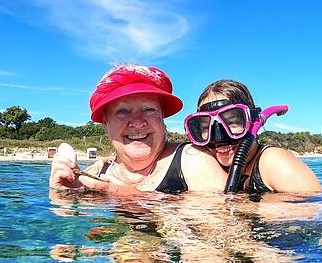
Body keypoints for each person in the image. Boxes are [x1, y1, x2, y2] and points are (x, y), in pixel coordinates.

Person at [49, 65, 226, 193]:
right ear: (105, 125)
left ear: (162, 118)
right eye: (122, 111)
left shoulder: (193, 160)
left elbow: (228, 230)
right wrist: (63, 196)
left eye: (149, 109)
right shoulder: (97, 173)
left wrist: (123, 195)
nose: (138, 122)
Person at [185, 79, 322, 193]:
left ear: (252, 121)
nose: (218, 137)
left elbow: (319, 210)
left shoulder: (273, 161)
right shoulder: (209, 165)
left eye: (232, 122)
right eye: (205, 126)